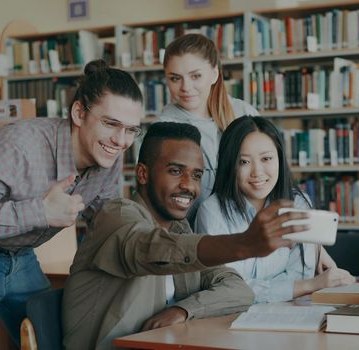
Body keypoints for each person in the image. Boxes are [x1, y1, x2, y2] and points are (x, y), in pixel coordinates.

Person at [0, 59, 144, 349]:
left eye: (131, 130)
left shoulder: (108, 157)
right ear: (78, 112)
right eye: (110, 124)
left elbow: (109, 223)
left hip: (20, 258)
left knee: (57, 344)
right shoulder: (20, 144)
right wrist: (40, 211)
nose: (121, 141)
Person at [63, 122, 309, 349]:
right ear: (142, 174)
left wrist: (183, 310)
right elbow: (151, 250)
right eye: (175, 171)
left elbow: (238, 290)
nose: (189, 186)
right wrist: (245, 244)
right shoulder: (115, 215)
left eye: (196, 175)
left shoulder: (180, 230)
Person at [195, 116, 355, 303]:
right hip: (227, 320)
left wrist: (276, 288)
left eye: (266, 159)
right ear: (230, 165)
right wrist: (311, 285)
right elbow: (227, 290)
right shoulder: (212, 212)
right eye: (244, 162)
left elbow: (299, 274)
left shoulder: (298, 203)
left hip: (287, 314)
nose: (257, 172)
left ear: (279, 158)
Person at [158, 33, 259, 223]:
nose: (186, 87)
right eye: (175, 78)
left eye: (195, 76)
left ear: (214, 74)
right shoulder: (164, 129)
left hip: (249, 225)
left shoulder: (244, 113)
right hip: (194, 237)